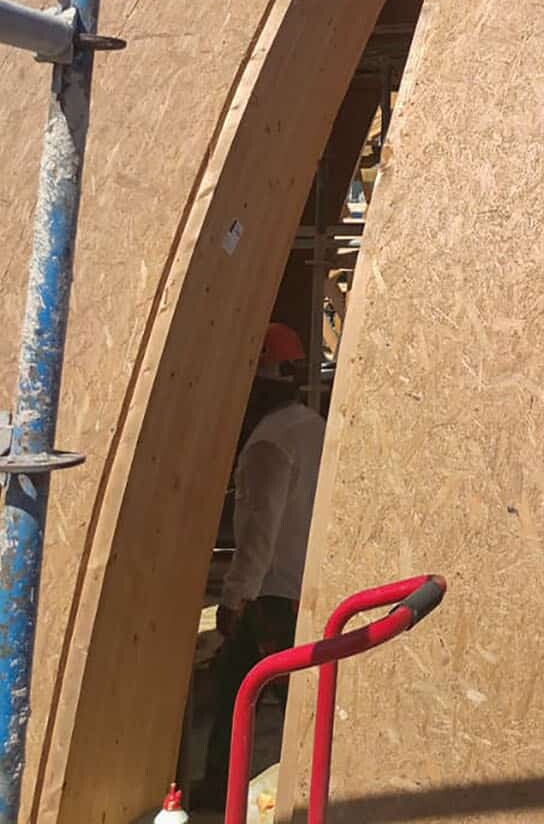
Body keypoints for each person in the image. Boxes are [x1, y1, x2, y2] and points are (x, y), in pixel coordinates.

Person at [193, 324, 325, 810]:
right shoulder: (312, 426)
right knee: (291, 695)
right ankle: (306, 789)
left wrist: (233, 599)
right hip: (298, 586)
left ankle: (215, 794)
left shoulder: (269, 443)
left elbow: (259, 536)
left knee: (236, 693)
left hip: (267, 595)